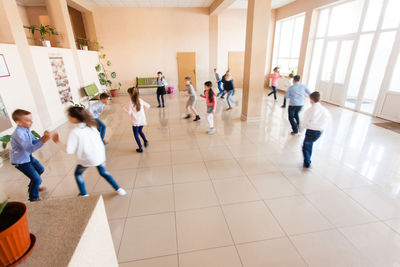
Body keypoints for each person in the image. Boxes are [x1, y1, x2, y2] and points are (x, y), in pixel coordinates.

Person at [52, 106, 126, 197]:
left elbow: (69, 150)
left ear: (74, 118)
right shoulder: (92, 127)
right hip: (100, 156)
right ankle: (119, 189)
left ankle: (84, 194)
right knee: (103, 172)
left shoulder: (75, 132)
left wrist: (57, 141)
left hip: (86, 159)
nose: (68, 117)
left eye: (68, 115)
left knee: (78, 174)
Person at [9, 109, 51, 201]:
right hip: (20, 161)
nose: (32, 121)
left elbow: (32, 142)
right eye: (28, 120)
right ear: (18, 122)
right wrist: (43, 141)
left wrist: (42, 138)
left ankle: (32, 187)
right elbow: (29, 148)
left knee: (40, 169)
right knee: (37, 180)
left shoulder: (26, 129)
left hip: (27, 156)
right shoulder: (18, 134)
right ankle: (33, 198)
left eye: (31, 119)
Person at [299, 92, 330, 168]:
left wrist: (301, 129)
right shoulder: (324, 110)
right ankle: (308, 160)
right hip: (319, 131)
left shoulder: (309, 110)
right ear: (320, 100)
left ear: (311, 100)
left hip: (311, 131)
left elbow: (304, 122)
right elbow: (327, 120)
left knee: (306, 147)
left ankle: (307, 163)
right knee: (310, 144)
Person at [124, 87, 150, 153]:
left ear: (130, 94)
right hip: (142, 120)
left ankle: (140, 148)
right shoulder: (140, 100)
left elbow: (129, 113)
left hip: (135, 121)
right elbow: (148, 106)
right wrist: (143, 111)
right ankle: (145, 140)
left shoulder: (130, 102)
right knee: (140, 131)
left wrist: (124, 109)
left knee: (136, 134)